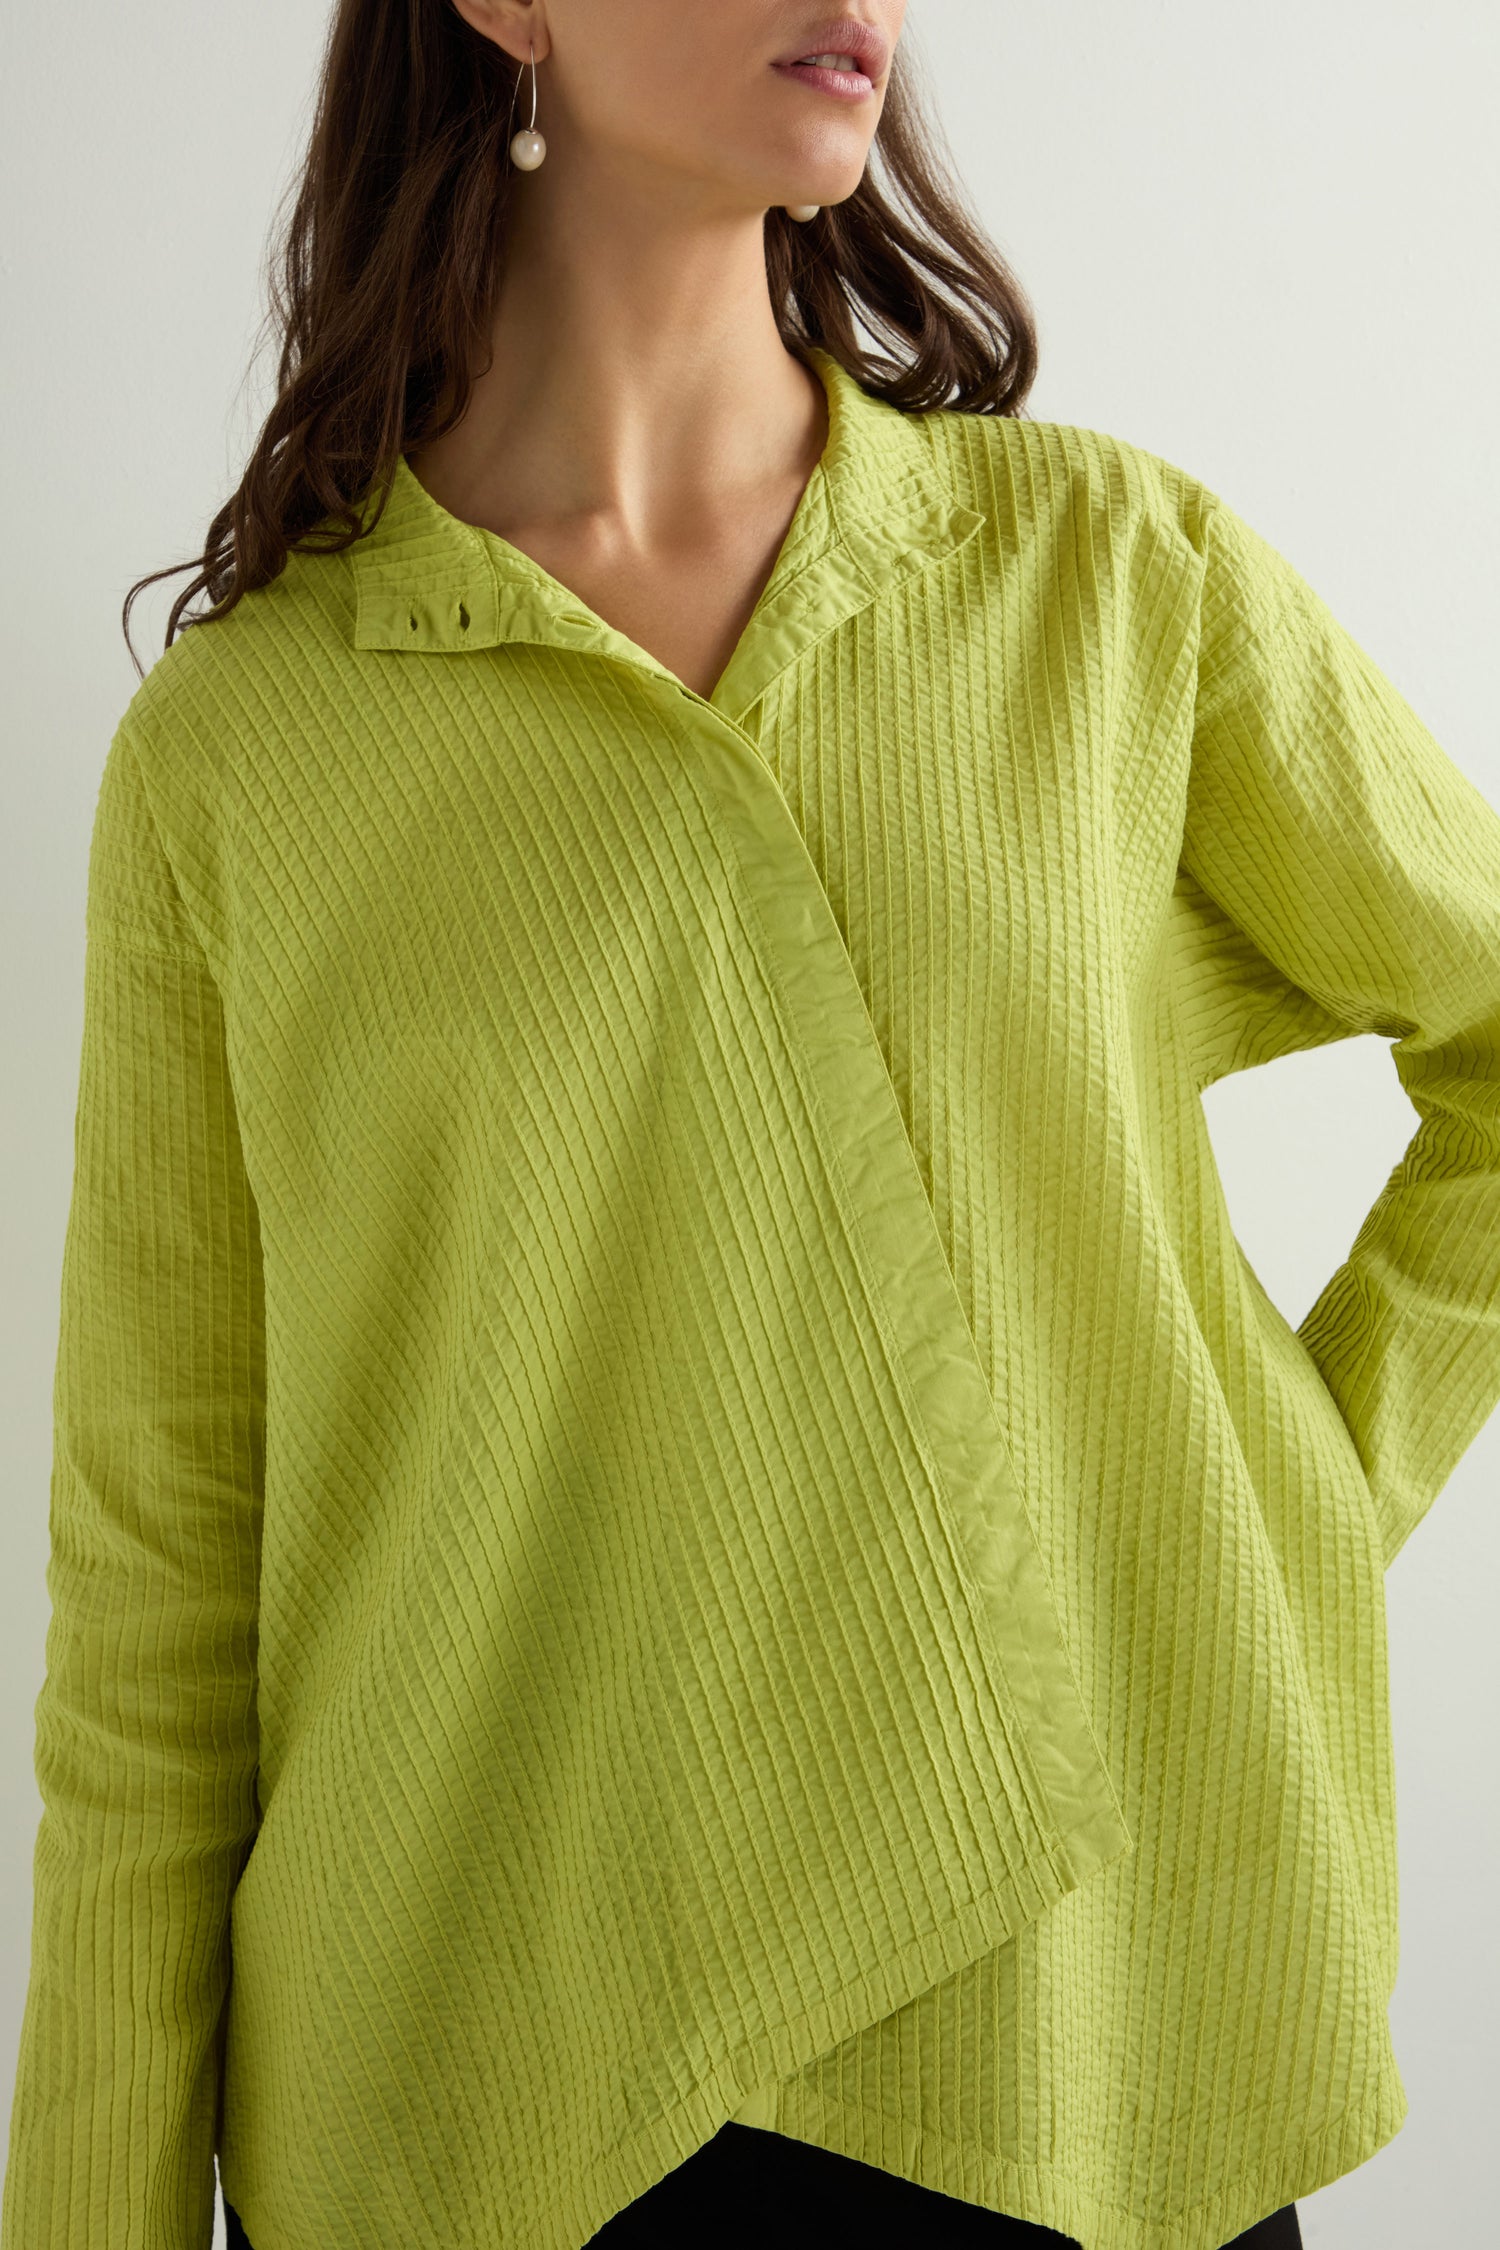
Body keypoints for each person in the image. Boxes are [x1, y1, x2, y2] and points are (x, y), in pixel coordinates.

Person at [6, 2, 1500, 2247]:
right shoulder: (247, 759)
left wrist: (1299, 1487)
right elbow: (156, 1607)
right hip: (492, 2097)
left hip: (1069, 2054)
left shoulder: (1107, 582)